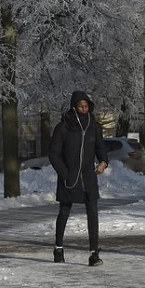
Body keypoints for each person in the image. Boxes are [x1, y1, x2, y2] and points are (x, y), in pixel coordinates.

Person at [49, 90, 109, 266]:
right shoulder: (63, 127)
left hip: (88, 177)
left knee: (93, 212)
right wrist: (65, 173)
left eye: (86, 105)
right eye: (80, 106)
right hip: (69, 176)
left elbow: (100, 147)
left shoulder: (94, 126)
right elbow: (53, 153)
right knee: (64, 211)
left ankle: (94, 253)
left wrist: (103, 161)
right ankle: (58, 248)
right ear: (74, 107)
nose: (84, 108)